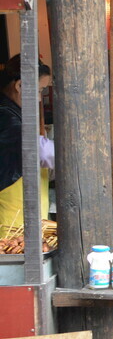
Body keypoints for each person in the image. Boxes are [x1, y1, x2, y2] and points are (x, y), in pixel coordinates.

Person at [0, 55, 53, 227]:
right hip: (11, 220)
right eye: (39, 90)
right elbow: (40, 151)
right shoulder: (5, 116)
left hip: (25, 218)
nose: (39, 98)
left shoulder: (15, 114)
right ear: (20, 85)